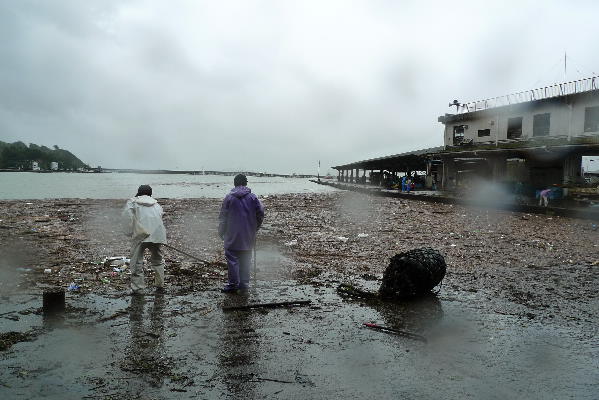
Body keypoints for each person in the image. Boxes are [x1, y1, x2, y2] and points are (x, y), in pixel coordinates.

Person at [218, 174, 264, 292]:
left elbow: (223, 217)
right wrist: (255, 227)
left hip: (232, 234)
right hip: (248, 234)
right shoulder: (253, 198)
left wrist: (221, 231)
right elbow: (260, 214)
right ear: (246, 183)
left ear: (234, 183)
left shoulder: (229, 198)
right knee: (246, 258)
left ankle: (233, 284)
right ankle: (244, 283)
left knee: (232, 259)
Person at [123, 185, 167, 294]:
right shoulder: (156, 204)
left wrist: (128, 231)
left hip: (140, 235)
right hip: (157, 234)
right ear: (150, 194)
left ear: (139, 193)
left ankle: (138, 289)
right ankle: (160, 285)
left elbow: (127, 217)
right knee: (158, 260)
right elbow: (160, 217)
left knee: (136, 261)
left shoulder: (132, 202)